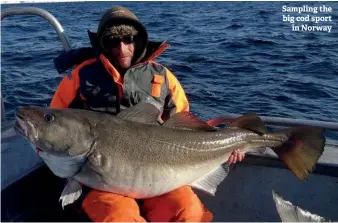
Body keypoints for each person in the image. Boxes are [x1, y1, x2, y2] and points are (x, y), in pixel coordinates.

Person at [49, 5, 244, 222]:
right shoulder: (81, 75)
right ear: (102, 44)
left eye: (128, 39)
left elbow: (184, 123)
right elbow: (56, 121)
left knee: (187, 211)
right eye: (113, 41)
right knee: (118, 217)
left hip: (161, 177)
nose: (122, 49)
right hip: (101, 181)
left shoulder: (163, 76)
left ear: (139, 40)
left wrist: (227, 144)